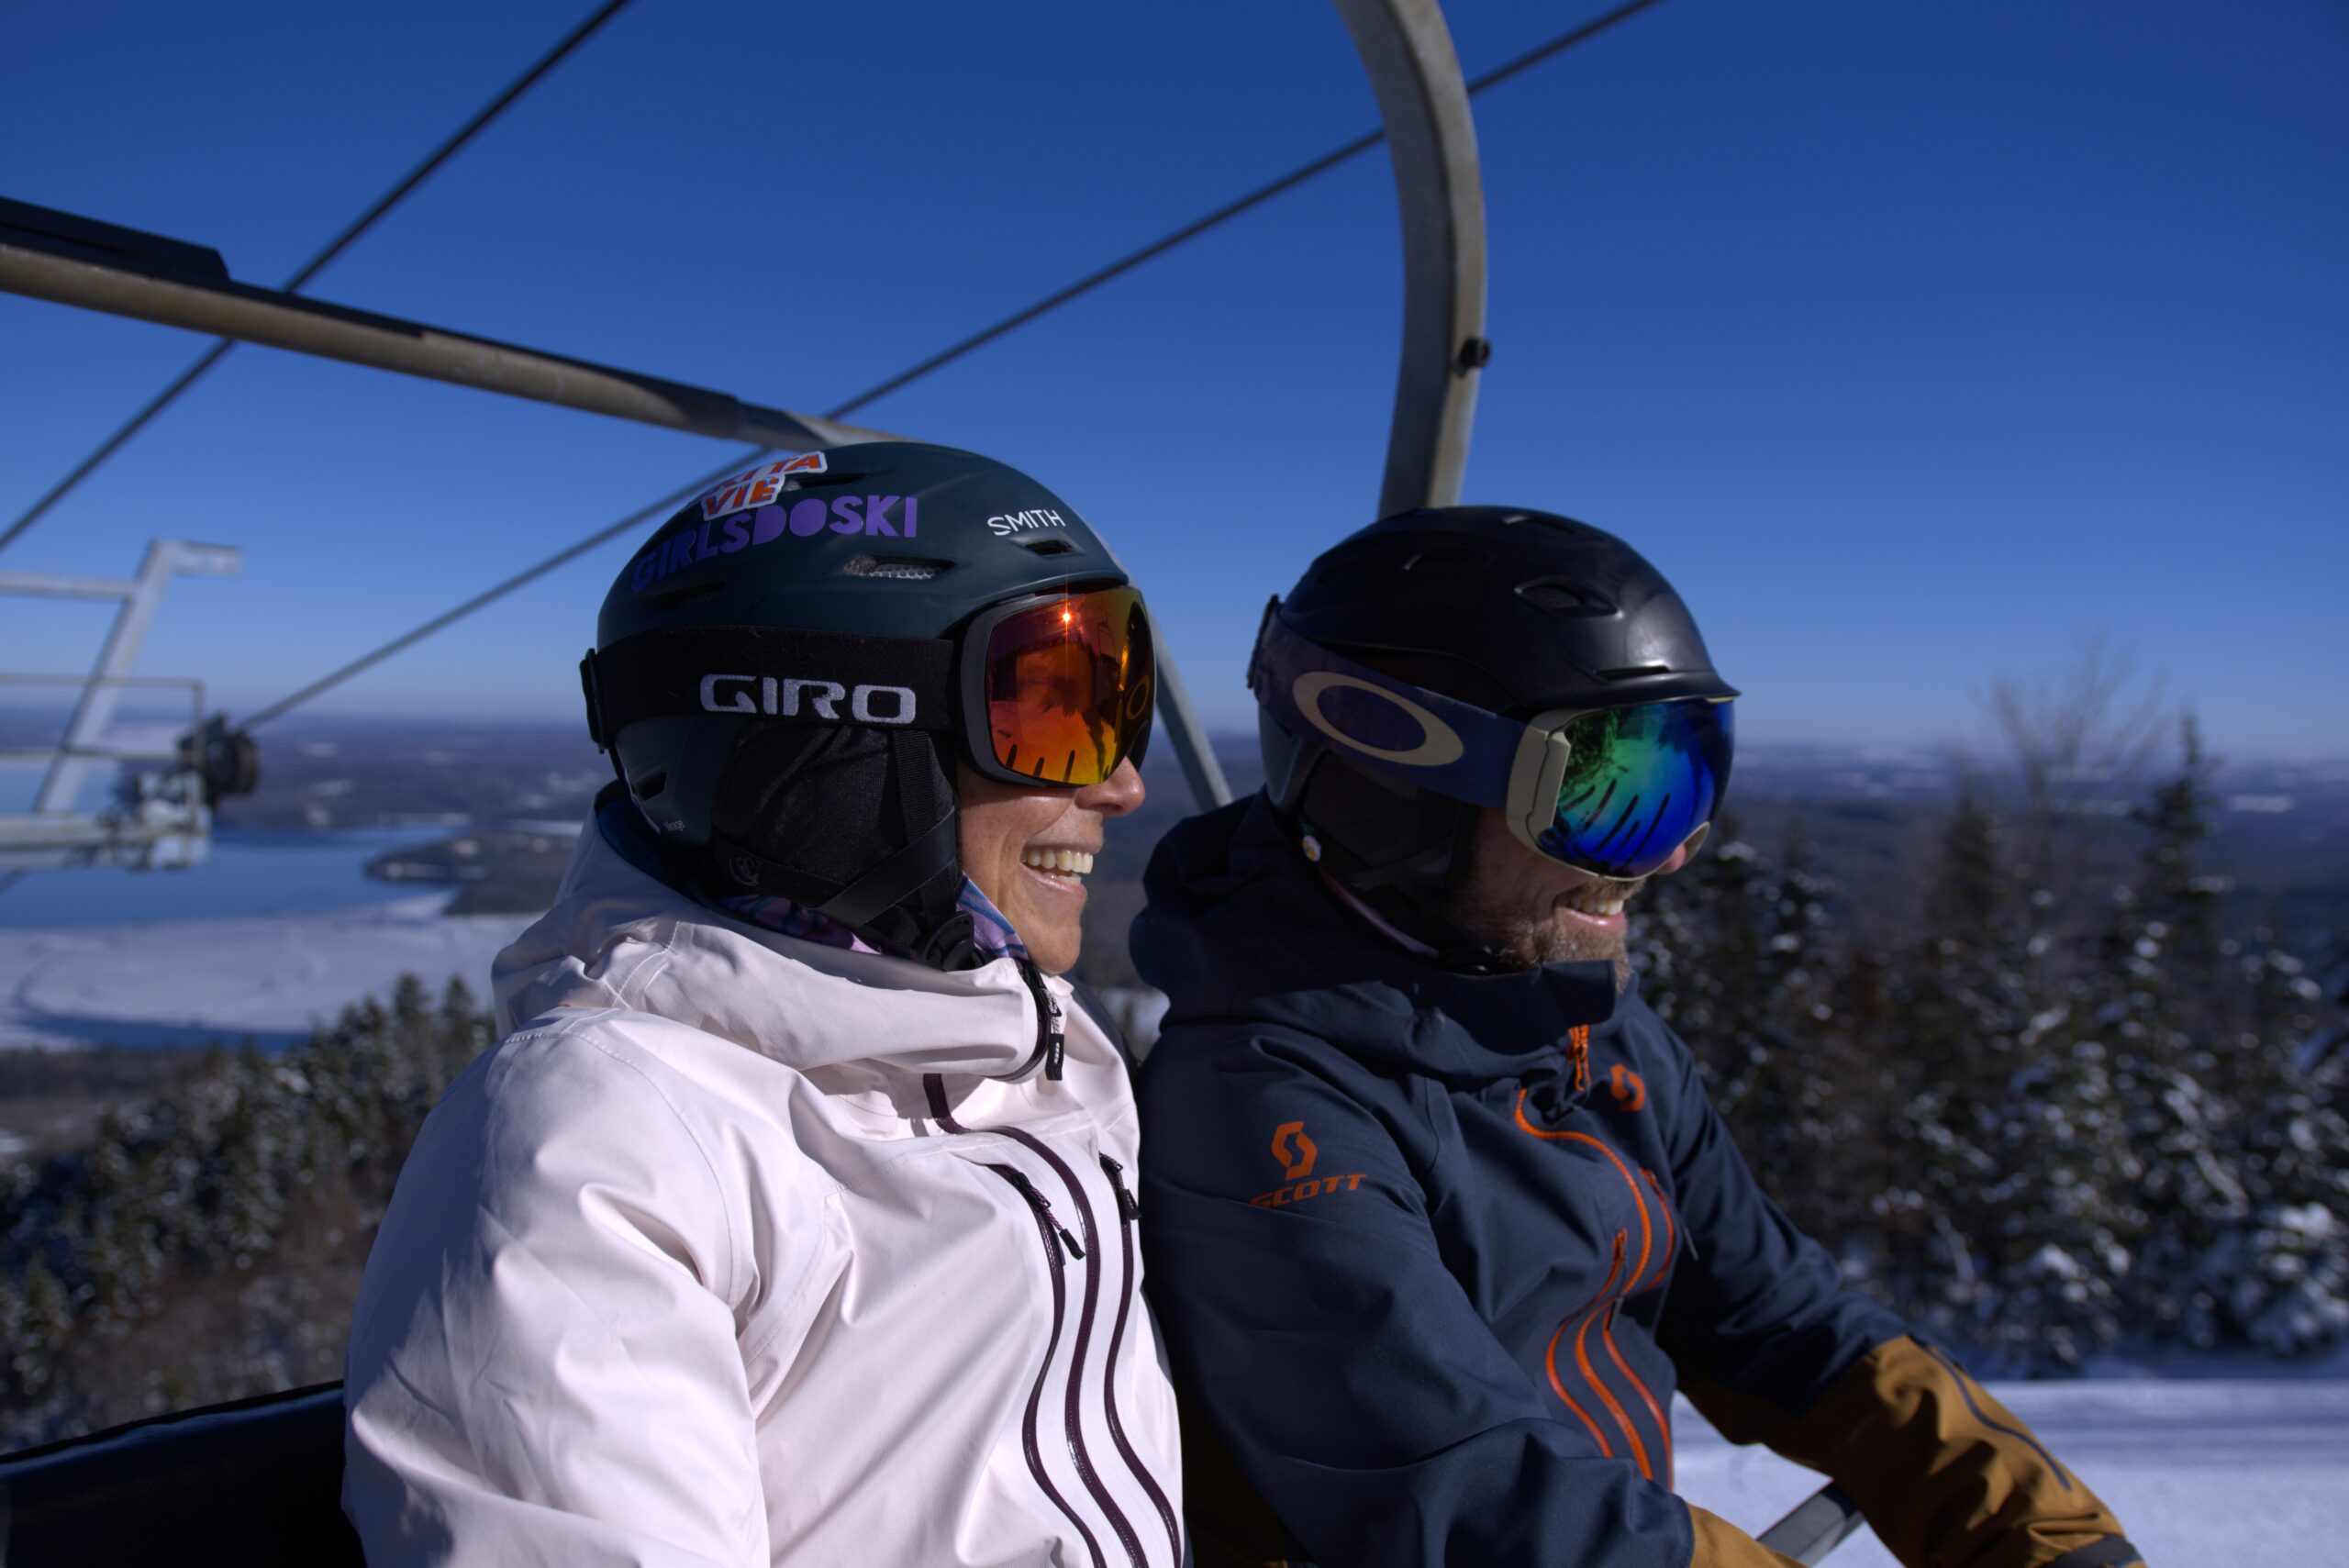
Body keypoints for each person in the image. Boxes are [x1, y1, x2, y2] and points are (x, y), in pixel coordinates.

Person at [1130, 507, 2144, 1568]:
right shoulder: (1258, 1103)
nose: (1661, 858)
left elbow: (1777, 1317)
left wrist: (2040, 1529)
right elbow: (1478, 1502)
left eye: (1678, 780)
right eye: (1598, 792)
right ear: (1394, 790)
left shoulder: (1582, 1025)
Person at [343, 443, 1184, 1567]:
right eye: (1053, 706)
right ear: (835, 729)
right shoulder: (596, 1144)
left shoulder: (1044, 1048)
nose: (1122, 782)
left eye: (1112, 702)